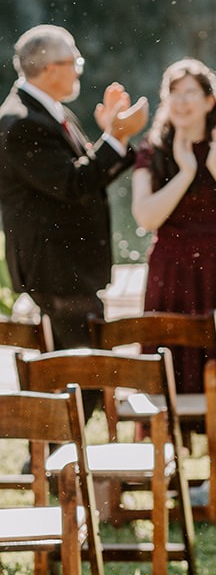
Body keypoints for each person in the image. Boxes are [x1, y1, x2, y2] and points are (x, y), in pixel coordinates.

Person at [0, 24, 148, 346]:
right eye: (75, 63)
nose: (79, 71)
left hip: (70, 270)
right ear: (52, 69)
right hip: (57, 272)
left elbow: (82, 179)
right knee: (81, 378)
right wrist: (115, 137)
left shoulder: (49, 110)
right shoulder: (21, 121)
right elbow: (71, 183)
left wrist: (113, 137)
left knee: (89, 372)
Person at [132, 58, 216, 392]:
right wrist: (184, 173)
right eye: (173, 93)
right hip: (169, 269)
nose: (181, 102)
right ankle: (171, 429)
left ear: (209, 101)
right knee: (170, 349)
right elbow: (146, 216)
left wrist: (214, 163)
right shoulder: (152, 149)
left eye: (189, 93)